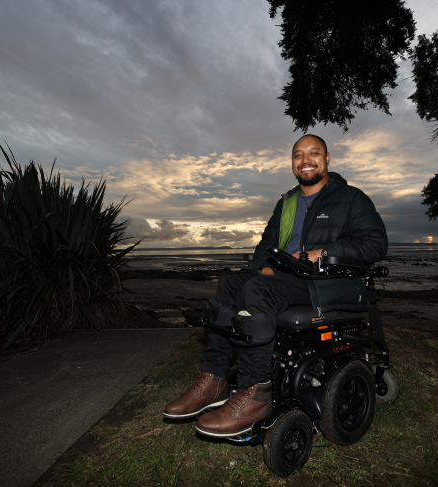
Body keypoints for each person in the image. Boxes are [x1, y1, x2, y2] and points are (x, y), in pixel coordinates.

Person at [163, 134, 388, 437]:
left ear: (327, 158)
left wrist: (322, 253)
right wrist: (264, 267)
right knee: (230, 284)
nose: (305, 160)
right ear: (293, 163)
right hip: (285, 280)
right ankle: (212, 381)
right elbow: (265, 246)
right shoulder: (287, 203)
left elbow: (375, 244)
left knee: (257, 290)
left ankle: (255, 396)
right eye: (298, 155)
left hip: (328, 282)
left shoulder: (351, 198)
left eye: (313, 153)